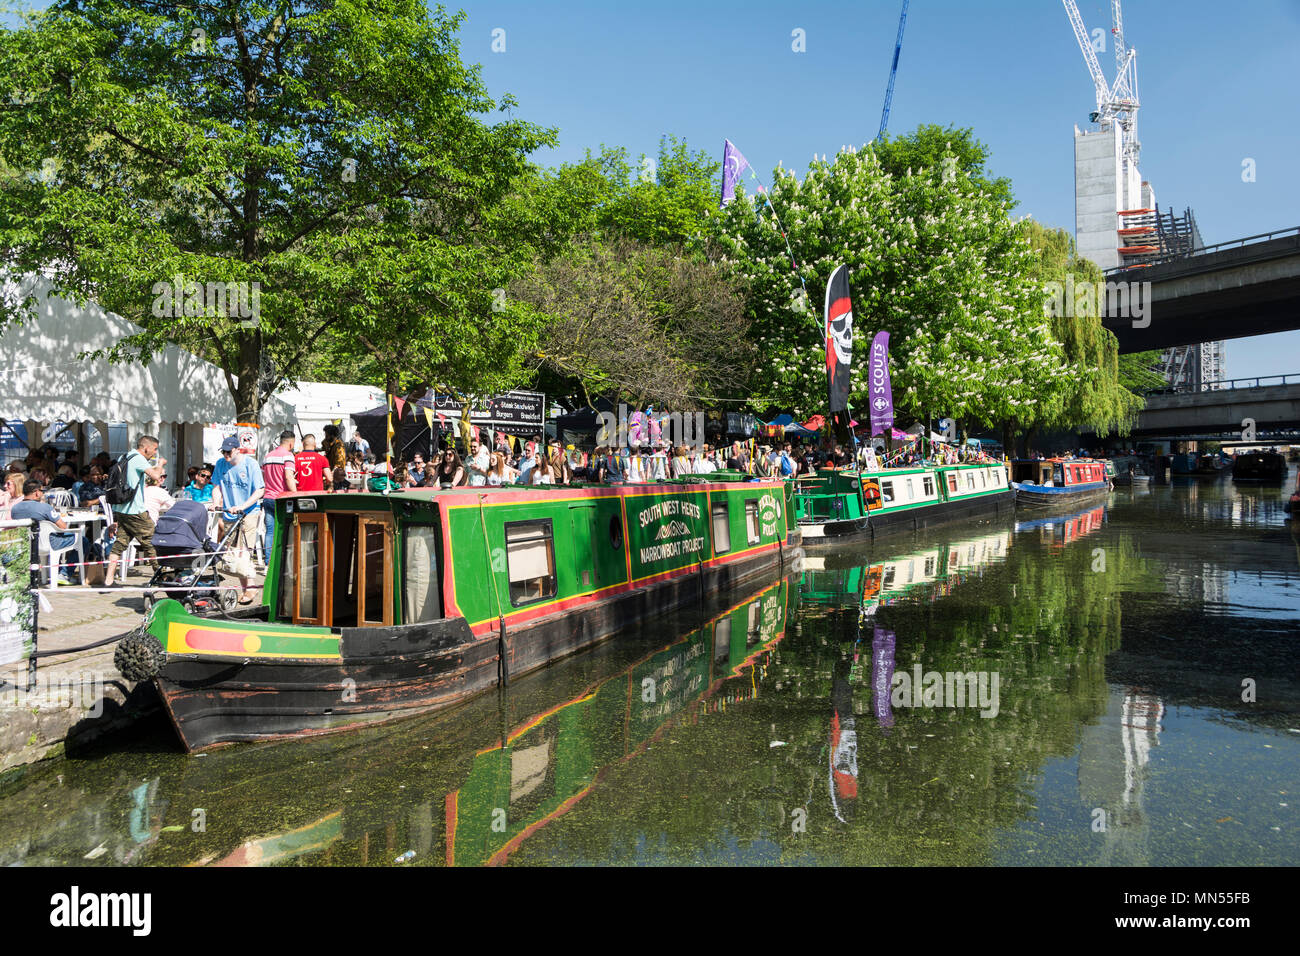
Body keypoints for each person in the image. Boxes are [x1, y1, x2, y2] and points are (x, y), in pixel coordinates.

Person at [103, 434, 166, 589]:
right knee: (153, 541)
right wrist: (160, 463)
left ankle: (109, 579)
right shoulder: (138, 459)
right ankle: (162, 577)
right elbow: (157, 477)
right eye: (154, 450)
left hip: (121, 508)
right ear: (146, 447)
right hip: (135, 510)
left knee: (120, 543)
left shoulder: (124, 456)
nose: (154, 453)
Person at [209, 435, 264, 604]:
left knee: (244, 552)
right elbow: (217, 487)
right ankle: (247, 589)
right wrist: (215, 501)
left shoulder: (251, 464)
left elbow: (260, 490)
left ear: (237, 450)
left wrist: (243, 506)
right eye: (223, 452)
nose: (225, 455)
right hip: (229, 513)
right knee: (233, 552)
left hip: (249, 512)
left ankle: (251, 588)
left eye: (228, 452)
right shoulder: (220, 464)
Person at [11, 479, 80, 584]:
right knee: (82, 540)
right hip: (48, 543)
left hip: (26, 544)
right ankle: (64, 574)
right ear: (37, 492)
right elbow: (63, 526)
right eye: (42, 491)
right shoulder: (45, 507)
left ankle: (48, 576)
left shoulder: (15, 509)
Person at [261, 430, 297, 546]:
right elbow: (288, 477)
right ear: (291, 444)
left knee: (270, 531)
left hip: (267, 497)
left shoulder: (267, 456)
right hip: (282, 498)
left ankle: (268, 562)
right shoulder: (288, 456)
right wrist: (295, 493)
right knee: (285, 530)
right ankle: (282, 561)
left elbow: (263, 477)